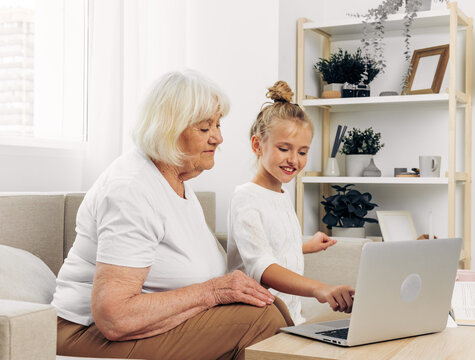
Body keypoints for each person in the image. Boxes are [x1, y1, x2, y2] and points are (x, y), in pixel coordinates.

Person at [51, 71, 293, 360]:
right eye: (205, 129)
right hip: (85, 335)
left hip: (132, 330)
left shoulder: (179, 185)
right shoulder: (131, 190)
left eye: (217, 125)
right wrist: (213, 292)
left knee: (271, 306)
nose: (218, 138)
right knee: (261, 321)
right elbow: (114, 317)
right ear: (168, 130)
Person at [227, 81, 355, 324]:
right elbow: (262, 267)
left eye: (303, 152)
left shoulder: (281, 194)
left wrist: (305, 245)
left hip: (290, 315)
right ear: (257, 145)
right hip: (256, 320)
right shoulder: (246, 198)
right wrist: (320, 289)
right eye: (284, 148)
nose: (293, 160)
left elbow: (272, 244)